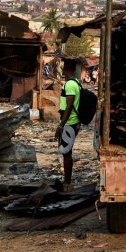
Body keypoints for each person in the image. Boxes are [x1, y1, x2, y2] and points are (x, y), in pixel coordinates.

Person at [56, 59, 81, 192]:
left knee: (66, 152)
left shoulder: (70, 84)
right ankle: (67, 181)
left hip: (70, 123)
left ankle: (67, 183)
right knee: (67, 152)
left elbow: (69, 105)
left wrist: (61, 125)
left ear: (66, 69)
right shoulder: (75, 82)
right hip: (71, 122)